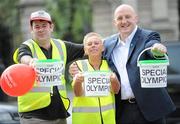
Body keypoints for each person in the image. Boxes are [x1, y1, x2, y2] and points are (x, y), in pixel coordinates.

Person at [69, 4, 176, 124]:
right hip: (122, 110)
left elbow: (151, 46)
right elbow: (91, 49)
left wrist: (156, 48)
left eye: (127, 17)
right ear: (115, 22)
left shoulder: (148, 36)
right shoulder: (108, 43)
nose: (124, 21)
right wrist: (74, 66)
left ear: (136, 18)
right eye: (119, 18)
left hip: (149, 108)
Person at [13, 10, 84, 124]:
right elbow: (23, 56)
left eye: (44, 26)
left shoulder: (61, 46)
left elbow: (89, 48)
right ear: (32, 29)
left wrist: (113, 40)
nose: (40, 29)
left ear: (51, 27)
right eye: (37, 26)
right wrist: (31, 61)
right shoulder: (27, 46)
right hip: (33, 114)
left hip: (59, 114)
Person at [72, 32, 120, 124]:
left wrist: (114, 80)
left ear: (102, 48)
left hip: (107, 119)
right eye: (89, 44)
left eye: (96, 43)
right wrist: (77, 82)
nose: (93, 46)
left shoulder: (110, 66)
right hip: (85, 120)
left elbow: (116, 90)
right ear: (85, 50)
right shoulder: (77, 66)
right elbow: (77, 93)